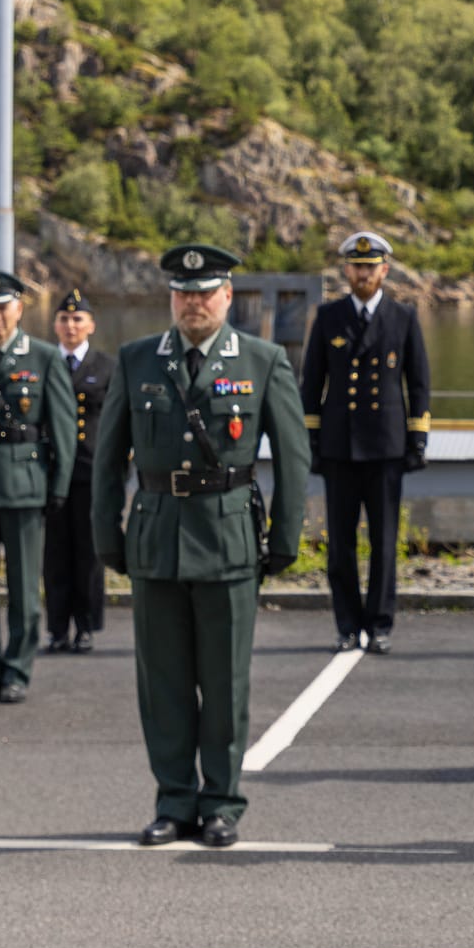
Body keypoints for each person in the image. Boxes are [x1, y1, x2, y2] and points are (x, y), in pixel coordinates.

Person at [92, 244, 310, 848]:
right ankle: (174, 801)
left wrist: (285, 538)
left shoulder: (263, 360)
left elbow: (294, 458)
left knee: (224, 683)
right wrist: (106, 536)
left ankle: (221, 802)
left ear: (226, 296)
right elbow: (108, 460)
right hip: (156, 539)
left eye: (205, 292)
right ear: (171, 298)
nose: (193, 303)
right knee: (161, 683)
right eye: (183, 293)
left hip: (229, 541)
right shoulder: (138, 360)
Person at [299, 231, 430, 655]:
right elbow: (311, 383)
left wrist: (418, 439)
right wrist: (312, 441)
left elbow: (419, 383)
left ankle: (379, 625)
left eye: (371, 267)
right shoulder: (328, 316)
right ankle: (346, 625)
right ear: (347, 271)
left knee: (384, 544)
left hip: (386, 447)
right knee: (339, 546)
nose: (363, 274)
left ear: (384, 271)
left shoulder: (403, 317)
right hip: (339, 447)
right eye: (357, 268)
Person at [0, 270, 74, 704]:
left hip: (25, 485)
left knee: (24, 589)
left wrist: (58, 485)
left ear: (19, 309)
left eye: (2, 308)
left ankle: (18, 670)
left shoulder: (42, 358)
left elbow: (61, 426)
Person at [44, 288, 112, 653]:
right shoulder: (44, 362)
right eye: (64, 319)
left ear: (91, 325)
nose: (71, 325)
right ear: (55, 325)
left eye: (77, 319)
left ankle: (86, 625)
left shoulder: (106, 366)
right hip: (52, 470)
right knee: (54, 554)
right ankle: (57, 628)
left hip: (90, 468)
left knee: (88, 553)